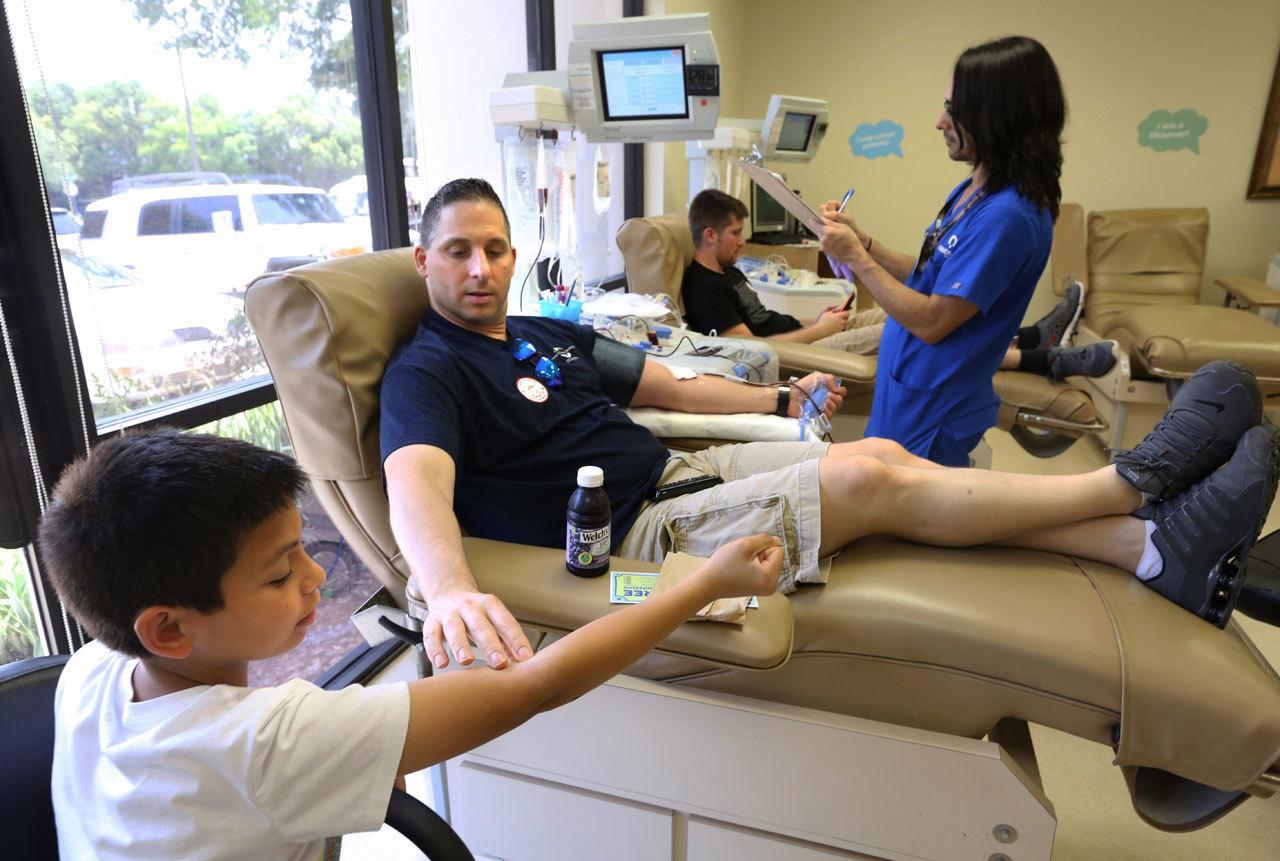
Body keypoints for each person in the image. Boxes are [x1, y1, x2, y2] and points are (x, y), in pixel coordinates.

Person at [380, 176, 1278, 678]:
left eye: (495, 247)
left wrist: (774, 403)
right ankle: (1129, 485)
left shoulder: (540, 331)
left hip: (678, 470)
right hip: (629, 548)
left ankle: (1148, 551)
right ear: (426, 260)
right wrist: (451, 587)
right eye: (458, 250)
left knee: (876, 452)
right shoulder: (429, 368)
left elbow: (672, 384)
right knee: (868, 481)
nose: (482, 267)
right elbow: (415, 480)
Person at [43, 429, 782, 860]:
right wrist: (698, 583)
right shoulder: (269, 743)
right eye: (278, 574)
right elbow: (539, 686)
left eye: (305, 549)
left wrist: (343, 756)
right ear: (168, 627)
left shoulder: (91, 670)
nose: (314, 581)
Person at [821, 36, 1073, 465]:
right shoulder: (977, 186)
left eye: (955, 112)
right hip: (906, 393)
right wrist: (863, 243)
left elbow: (935, 320)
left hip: (933, 413)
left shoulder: (1009, 215)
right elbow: (930, 274)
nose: (940, 122)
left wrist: (858, 261)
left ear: (999, 117)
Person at [683, 188, 1118, 383]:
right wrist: (819, 332)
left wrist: (815, 319)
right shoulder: (704, 286)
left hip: (803, 334)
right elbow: (753, 350)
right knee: (908, 327)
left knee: (895, 310)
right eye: (736, 234)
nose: (744, 241)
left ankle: (1032, 340)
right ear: (709, 235)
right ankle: (1039, 356)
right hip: (794, 357)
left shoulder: (730, 270)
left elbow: (763, 321)